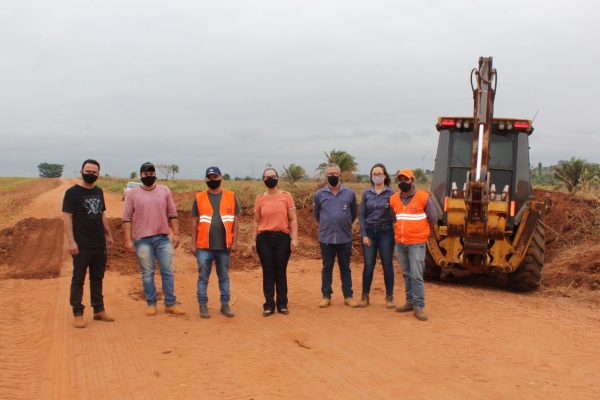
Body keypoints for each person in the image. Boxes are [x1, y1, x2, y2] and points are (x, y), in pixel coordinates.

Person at [123, 162, 186, 316]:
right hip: (142, 240)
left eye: (151, 173)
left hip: (163, 238)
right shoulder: (132, 194)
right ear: (141, 175)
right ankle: (151, 304)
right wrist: (128, 240)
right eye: (146, 173)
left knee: (168, 272)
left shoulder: (164, 191)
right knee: (147, 273)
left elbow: (172, 214)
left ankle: (170, 304)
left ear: (155, 174)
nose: (149, 176)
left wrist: (176, 234)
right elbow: (127, 218)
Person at [62, 159, 115, 328]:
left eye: (94, 172)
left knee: (97, 278)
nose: (91, 174)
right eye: (88, 171)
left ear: (98, 174)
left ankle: (98, 310)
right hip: (81, 245)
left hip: (99, 244)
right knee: (78, 279)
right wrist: (71, 242)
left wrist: (108, 234)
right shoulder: (72, 193)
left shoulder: (99, 191)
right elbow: (67, 218)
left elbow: (101, 214)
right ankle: (77, 313)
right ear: (81, 171)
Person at [191, 166, 240, 319]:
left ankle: (225, 305)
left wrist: (234, 242)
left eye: (215, 177)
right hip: (204, 246)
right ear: (206, 179)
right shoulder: (199, 197)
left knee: (224, 277)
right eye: (210, 177)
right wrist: (193, 244)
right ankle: (203, 305)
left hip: (224, 247)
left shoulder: (231, 196)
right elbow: (194, 222)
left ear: (221, 177)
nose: (212, 179)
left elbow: (235, 222)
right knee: (203, 278)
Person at [390, 169, 437, 321]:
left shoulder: (424, 197)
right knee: (406, 274)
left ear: (412, 181)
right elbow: (394, 218)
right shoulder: (393, 199)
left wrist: (423, 232)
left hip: (417, 243)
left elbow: (433, 218)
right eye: (400, 180)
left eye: (406, 179)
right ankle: (409, 301)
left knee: (416, 275)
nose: (403, 182)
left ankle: (418, 306)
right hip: (400, 243)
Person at [252, 168, 298, 316]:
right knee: (268, 272)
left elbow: (293, 219)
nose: (270, 178)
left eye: (273, 176)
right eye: (267, 177)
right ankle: (269, 305)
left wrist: (294, 239)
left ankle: (282, 304)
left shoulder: (286, 196)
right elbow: (256, 220)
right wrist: (253, 240)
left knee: (280, 271)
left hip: (282, 238)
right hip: (264, 239)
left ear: (278, 178)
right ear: (263, 180)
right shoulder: (260, 198)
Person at [313, 164, 360, 308]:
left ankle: (348, 296)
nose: (332, 176)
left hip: (344, 237)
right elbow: (317, 215)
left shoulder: (349, 193)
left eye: (335, 173)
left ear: (340, 175)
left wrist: (342, 223)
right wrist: (329, 223)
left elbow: (353, 214)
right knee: (327, 267)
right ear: (326, 176)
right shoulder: (319, 194)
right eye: (329, 174)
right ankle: (326, 296)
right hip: (326, 238)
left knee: (345, 267)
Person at [358, 163, 396, 308]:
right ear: (371, 176)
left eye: (380, 174)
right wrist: (364, 234)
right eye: (375, 174)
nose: (377, 176)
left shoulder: (391, 194)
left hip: (386, 233)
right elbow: (362, 215)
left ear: (385, 176)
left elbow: (395, 215)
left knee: (387, 265)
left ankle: (389, 297)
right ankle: (365, 296)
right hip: (370, 233)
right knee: (368, 265)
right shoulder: (367, 194)